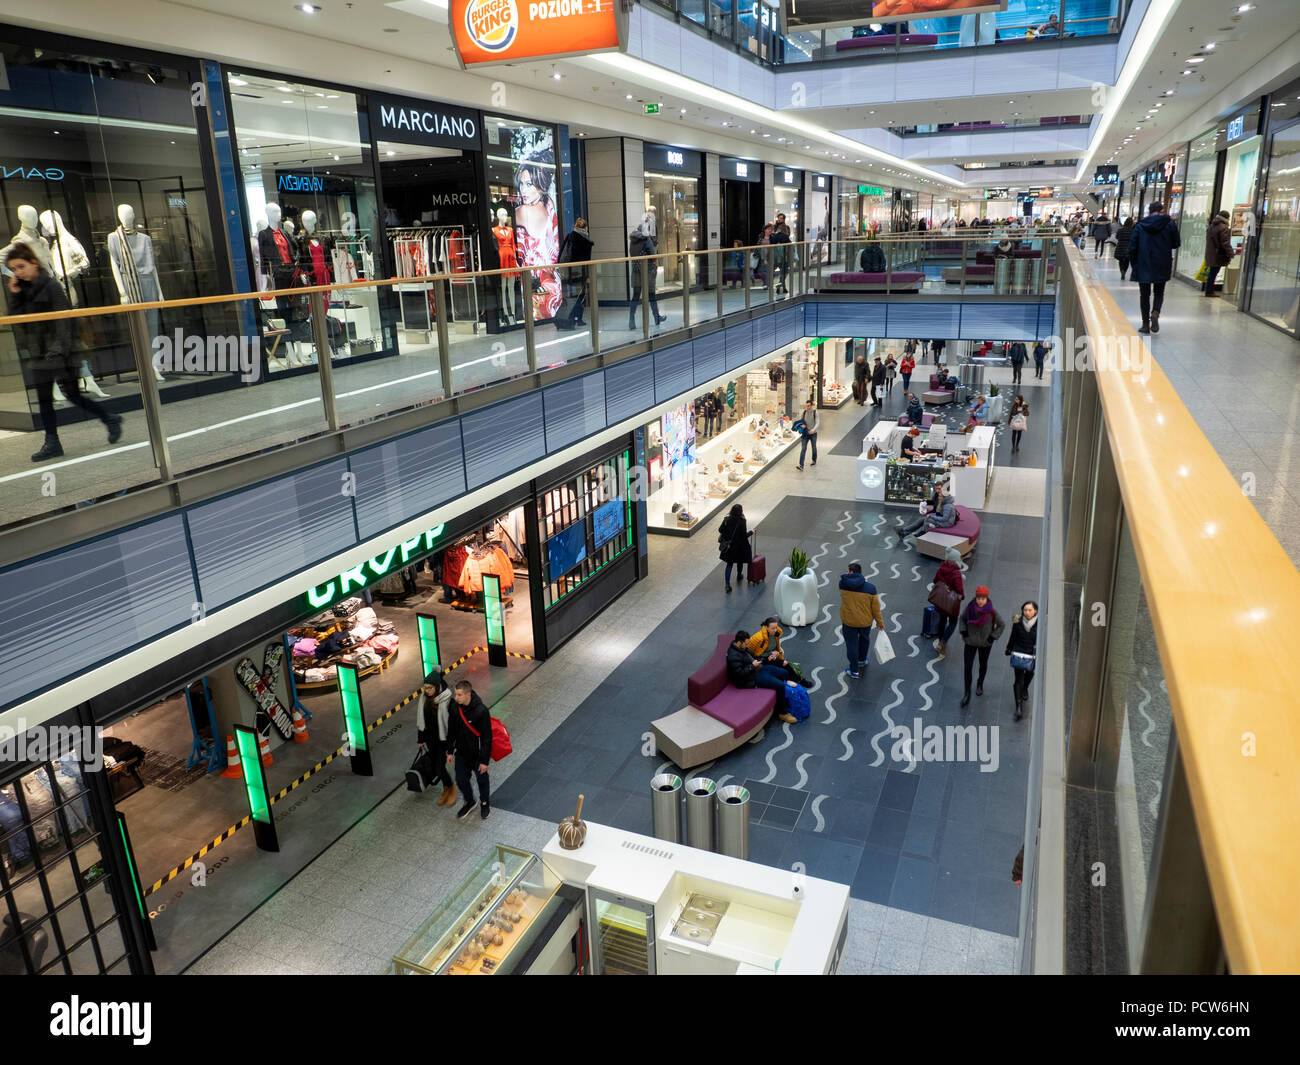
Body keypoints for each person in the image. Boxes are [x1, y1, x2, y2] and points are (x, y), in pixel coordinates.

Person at [4, 243, 123, 462]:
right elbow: (16, 320)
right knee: (45, 399)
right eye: (14, 269)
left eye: (21, 266)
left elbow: (64, 319)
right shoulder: (23, 290)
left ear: (33, 262)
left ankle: (108, 417)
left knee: (73, 395)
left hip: (63, 351)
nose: (18, 273)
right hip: (39, 353)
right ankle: (53, 442)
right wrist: (14, 294)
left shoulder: (50, 285)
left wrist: (58, 349)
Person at [1128, 201, 1181, 335]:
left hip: (1143, 263)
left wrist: (1134, 264)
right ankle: (1156, 313)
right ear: (1162, 210)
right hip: (1162, 262)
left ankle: (1145, 324)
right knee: (1159, 292)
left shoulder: (1140, 225)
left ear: (1149, 211)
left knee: (1144, 295)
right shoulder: (1170, 224)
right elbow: (1176, 243)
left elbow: (1132, 247)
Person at [444, 680, 493, 820]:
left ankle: (485, 803)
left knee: (482, 781)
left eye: (459, 695)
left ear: (468, 694)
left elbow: (486, 738)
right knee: (460, 780)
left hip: (477, 755)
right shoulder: (454, 707)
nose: (456, 697)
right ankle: (470, 801)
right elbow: (451, 730)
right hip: (461, 752)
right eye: (455, 694)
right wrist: (449, 750)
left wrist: (484, 761)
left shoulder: (481, 711)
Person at [727, 630, 796, 724]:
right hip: (751, 678)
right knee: (780, 686)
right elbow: (738, 673)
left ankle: (782, 695)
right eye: (746, 644)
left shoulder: (742, 648)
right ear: (739, 642)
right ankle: (782, 713)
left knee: (784, 673)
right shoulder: (733, 656)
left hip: (759, 669)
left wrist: (767, 658)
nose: (748, 646)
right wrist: (752, 666)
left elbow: (754, 658)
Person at [958, 586, 1006, 708]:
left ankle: (980, 684)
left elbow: (1001, 624)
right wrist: (964, 631)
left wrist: (992, 637)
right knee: (967, 667)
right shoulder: (969, 608)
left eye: (983, 598)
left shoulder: (991, 611)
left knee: (983, 664)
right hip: (970, 642)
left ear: (987, 598)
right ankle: (967, 692)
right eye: (979, 598)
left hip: (985, 643)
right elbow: (962, 619)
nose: (980, 600)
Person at [838, 561, 885, 679]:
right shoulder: (871, 588)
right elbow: (876, 609)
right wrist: (880, 623)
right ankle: (862, 660)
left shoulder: (842, 584)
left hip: (849, 621)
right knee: (864, 639)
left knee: (851, 644)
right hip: (865, 621)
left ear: (851, 572)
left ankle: (854, 671)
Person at [416, 671, 456, 806]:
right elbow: (422, 721)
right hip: (430, 740)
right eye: (425, 688)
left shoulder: (447, 701)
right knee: (435, 766)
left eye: (430, 688)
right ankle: (446, 789)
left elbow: (452, 727)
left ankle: (451, 788)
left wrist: (450, 748)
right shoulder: (424, 699)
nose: (426, 691)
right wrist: (420, 740)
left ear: (437, 687)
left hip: (443, 741)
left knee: (439, 768)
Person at [628, 220, 667, 329]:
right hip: (647, 271)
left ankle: (631, 320)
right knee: (651, 295)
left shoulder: (633, 240)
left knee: (635, 296)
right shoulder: (646, 238)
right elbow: (652, 255)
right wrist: (655, 266)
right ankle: (657, 318)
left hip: (636, 270)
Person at [555, 217, 593, 329]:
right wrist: (587, 276)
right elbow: (586, 260)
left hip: (566, 271)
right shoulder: (586, 241)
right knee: (579, 295)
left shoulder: (569, 236)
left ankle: (568, 318)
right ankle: (574, 319)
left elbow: (561, 252)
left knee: (569, 296)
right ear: (586, 228)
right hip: (578, 272)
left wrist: (560, 267)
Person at [1005, 600, 1039, 721]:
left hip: (1032, 655)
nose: (1027, 612)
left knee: (1030, 673)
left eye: (1030, 610)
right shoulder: (1018, 622)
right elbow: (1013, 636)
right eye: (1025, 610)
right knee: (1018, 680)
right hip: (1019, 653)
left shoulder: (1040, 624)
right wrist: (1009, 648)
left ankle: (1025, 688)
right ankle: (1018, 706)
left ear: (1035, 611)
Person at [896, 480, 957, 544]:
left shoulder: (945, 499)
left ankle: (920, 533)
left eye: (939, 489)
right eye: (936, 489)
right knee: (922, 519)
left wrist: (930, 515)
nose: (937, 491)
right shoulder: (938, 495)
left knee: (925, 519)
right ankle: (904, 532)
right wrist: (925, 503)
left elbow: (944, 515)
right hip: (940, 514)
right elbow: (934, 503)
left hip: (942, 516)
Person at [931, 546, 965, 658]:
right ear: (955, 559)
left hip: (940, 600)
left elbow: (935, 580)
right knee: (953, 622)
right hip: (951, 602)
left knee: (942, 620)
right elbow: (959, 590)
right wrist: (962, 597)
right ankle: (943, 642)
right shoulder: (956, 573)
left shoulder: (941, 568)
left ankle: (940, 639)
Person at [718, 503, 752, 592]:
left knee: (729, 564)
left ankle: (727, 584)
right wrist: (751, 532)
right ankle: (739, 575)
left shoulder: (726, 519)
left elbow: (720, 530)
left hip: (729, 546)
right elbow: (744, 536)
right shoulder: (742, 521)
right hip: (739, 546)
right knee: (740, 561)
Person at [1204, 209, 1233, 297]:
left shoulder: (1212, 225)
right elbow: (1225, 242)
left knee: (1212, 273)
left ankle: (1209, 290)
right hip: (1218, 254)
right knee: (1213, 273)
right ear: (1226, 218)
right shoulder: (1223, 227)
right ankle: (1209, 291)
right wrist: (1230, 252)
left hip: (1212, 253)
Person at [771, 213, 793, 293]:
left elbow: (786, 237)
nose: (779, 220)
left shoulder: (786, 227)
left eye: (781, 218)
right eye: (778, 218)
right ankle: (782, 286)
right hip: (777, 253)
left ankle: (781, 285)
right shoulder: (775, 227)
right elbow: (773, 239)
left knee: (785, 270)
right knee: (782, 270)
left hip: (785, 252)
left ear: (784, 219)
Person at [796, 399, 818, 471]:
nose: (807, 407)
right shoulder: (804, 412)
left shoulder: (815, 413)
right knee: (803, 448)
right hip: (805, 433)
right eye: (806, 406)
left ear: (811, 405)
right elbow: (801, 421)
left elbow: (818, 423)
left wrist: (813, 429)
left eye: (808, 406)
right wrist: (801, 425)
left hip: (813, 434)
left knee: (813, 447)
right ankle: (801, 465)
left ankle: (814, 460)